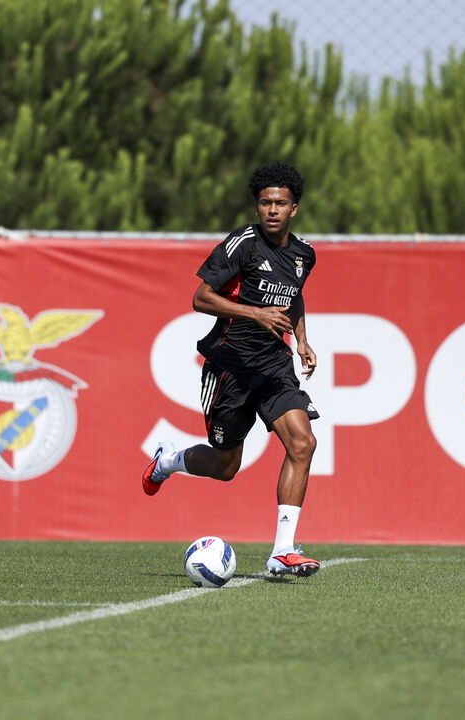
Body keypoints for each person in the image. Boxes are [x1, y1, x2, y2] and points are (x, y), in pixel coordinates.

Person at [142, 162, 321, 577]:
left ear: (294, 208)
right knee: (226, 467)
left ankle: (282, 552)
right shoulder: (242, 243)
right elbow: (200, 298)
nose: (272, 210)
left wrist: (303, 340)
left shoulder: (304, 253)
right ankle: (170, 460)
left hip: (274, 368)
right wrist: (255, 315)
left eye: (280, 203)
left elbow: (294, 298)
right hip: (230, 368)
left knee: (303, 442)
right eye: (265, 202)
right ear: (257, 206)